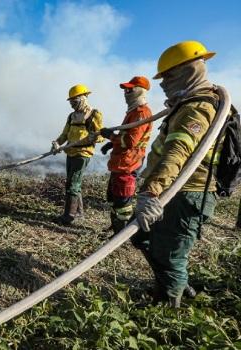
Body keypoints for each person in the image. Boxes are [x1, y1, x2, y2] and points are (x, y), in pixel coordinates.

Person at [132, 41, 223, 307]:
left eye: (168, 76)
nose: (163, 84)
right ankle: (175, 284)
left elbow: (176, 153)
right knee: (145, 238)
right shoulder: (190, 102)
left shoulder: (196, 108)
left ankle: (169, 308)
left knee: (171, 254)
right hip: (175, 191)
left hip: (186, 194)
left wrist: (151, 191)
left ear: (188, 70)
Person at [99, 77, 153, 234]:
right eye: (125, 90)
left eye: (129, 90)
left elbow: (130, 141)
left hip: (129, 164)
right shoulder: (133, 112)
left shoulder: (141, 113)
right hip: (122, 161)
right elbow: (127, 136)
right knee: (115, 196)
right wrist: (112, 143)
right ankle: (115, 225)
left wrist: (110, 136)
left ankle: (120, 233)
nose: (126, 93)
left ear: (139, 91)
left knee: (123, 200)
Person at [51, 84, 104, 224]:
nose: (72, 105)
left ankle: (69, 217)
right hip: (71, 152)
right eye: (71, 102)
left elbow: (101, 135)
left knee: (72, 185)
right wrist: (57, 143)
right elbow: (65, 135)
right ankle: (78, 212)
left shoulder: (93, 114)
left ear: (83, 98)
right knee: (73, 183)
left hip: (83, 153)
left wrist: (94, 137)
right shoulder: (71, 117)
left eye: (75, 101)